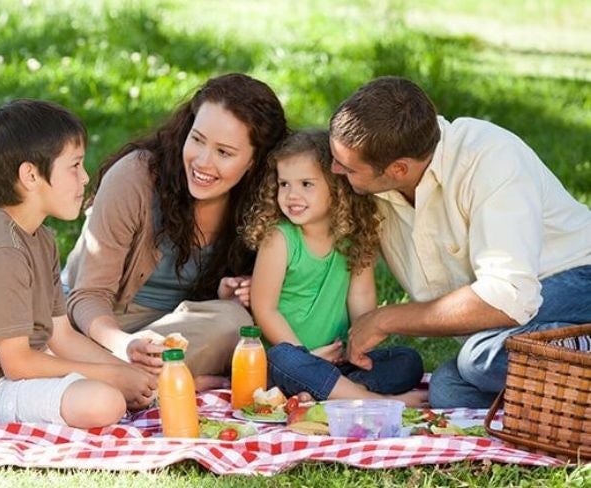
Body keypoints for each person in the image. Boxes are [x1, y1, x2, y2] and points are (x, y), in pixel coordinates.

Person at [328, 76, 591, 408]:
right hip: (514, 320)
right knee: (450, 390)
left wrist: (385, 318)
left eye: (348, 168)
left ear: (398, 169)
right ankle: (570, 390)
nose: (334, 169)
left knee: (479, 358)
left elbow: (508, 296)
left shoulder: (491, 158)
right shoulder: (378, 180)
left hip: (578, 280)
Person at [0, 100, 157, 428]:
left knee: (133, 383)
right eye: (74, 166)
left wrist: (124, 371)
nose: (85, 178)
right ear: (31, 175)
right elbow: (17, 364)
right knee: (105, 400)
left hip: (27, 369)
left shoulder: (41, 238)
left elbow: (61, 335)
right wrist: (113, 376)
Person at [62, 73, 287, 389]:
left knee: (235, 322)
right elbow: (87, 295)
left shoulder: (268, 202)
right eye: (197, 139)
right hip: (100, 324)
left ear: (255, 161)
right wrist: (123, 345)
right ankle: (168, 381)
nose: (203, 162)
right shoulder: (135, 177)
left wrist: (244, 289)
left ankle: (124, 381)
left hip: (178, 333)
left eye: (224, 152)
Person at [244, 130, 425, 406]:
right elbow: (264, 309)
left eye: (306, 184)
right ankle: (376, 401)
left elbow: (361, 299)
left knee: (408, 361)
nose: (292, 195)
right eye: (284, 184)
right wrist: (304, 355)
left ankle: (332, 393)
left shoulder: (355, 237)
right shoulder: (279, 239)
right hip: (290, 362)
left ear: (337, 187)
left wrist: (359, 349)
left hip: (338, 361)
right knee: (284, 360)